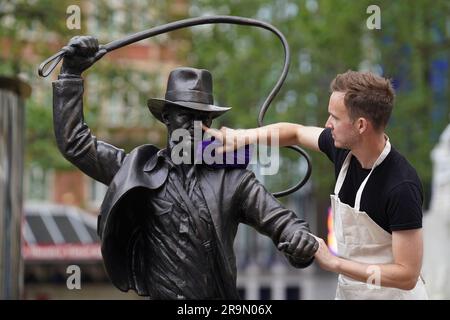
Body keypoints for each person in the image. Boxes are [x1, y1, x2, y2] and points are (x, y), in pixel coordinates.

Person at [52, 35, 318, 299]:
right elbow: (76, 143)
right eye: (186, 116)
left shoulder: (233, 180)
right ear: (167, 118)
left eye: (202, 118)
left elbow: (282, 222)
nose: (195, 126)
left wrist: (299, 238)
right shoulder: (139, 171)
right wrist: (70, 75)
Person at [205, 70, 429, 299]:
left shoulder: (401, 187)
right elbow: (295, 133)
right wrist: (242, 137)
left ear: (361, 125)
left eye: (335, 117)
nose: (327, 124)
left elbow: (406, 275)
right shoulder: (342, 149)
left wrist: (335, 263)